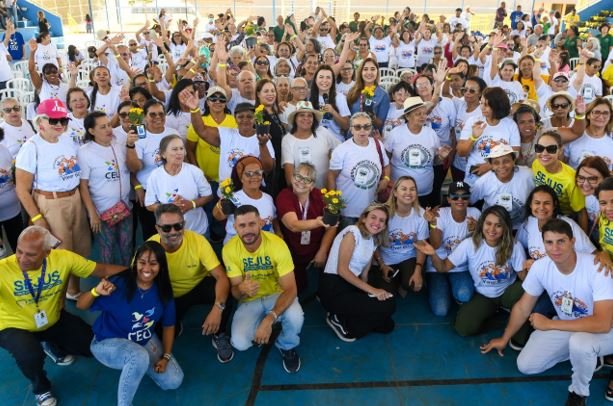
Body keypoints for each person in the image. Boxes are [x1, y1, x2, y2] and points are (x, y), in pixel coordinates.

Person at [481, 218, 613, 406]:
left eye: (561, 241)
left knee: (581, 343)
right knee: (526, 365)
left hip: (606, 331)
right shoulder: (542, 267)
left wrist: (550, 324)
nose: (555, 248)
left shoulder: (597, 268)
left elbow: (602, 323)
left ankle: (578, 393)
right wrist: (504, 338)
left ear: (572, 242)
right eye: (549, 242)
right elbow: (522, 307)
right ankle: (588, 356)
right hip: (570, 325)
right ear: (543, 244)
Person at [0, 226, 124, 406]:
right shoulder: (3, 269)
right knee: (29, 355)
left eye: (31, 254)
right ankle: (41, 388)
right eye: (19, 251)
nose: (22, 259)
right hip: (14, 326)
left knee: (92, 346)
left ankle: (51, 344)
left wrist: (140, 272)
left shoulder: (63, 258)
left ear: (47, 252)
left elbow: (103, 269)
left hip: (52, 319)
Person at [77, 241, 183, 405]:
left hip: (143, 340)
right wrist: (95, 291)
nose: (147, 269)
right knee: (138, 356)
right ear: (135, 263)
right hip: (106, 342)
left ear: (161, 266)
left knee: (174, 381)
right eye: (142, 262)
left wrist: (166, 357)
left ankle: (139, 366)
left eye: (153, 263)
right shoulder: (118, 284)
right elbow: (80, 305)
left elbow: (169, 325)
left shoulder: (163, 291)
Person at [416, 206, 530, 346]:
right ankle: (499, 316)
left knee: (525, 290)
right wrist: (432, 253)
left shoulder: (514, 245)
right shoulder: (469, 244)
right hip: (484, 295)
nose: (492, 230)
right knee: (463, 328)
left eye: (498, 225)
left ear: (505, 227)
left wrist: (534, 269)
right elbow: (443, 267)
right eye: (488, 224)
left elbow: (524, 277)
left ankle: (518, 316)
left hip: (508, 292)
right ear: (482, 224)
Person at [15, 99, 91, 300]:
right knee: (59, 252)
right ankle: (57, 298)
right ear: (40, 121)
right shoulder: (31, 147)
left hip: (74, 197)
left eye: (63, 120)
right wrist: (38, 217)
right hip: (51, 203)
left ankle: (73, 290)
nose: (59, 125)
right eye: (54, 120)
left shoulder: (67, 139)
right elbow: (22, 189)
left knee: (79, 247)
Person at [223, 205, 304, 373]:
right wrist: (241, 288)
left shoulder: (277, 245)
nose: (248, 230)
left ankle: (286, 345)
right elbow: (235, 293)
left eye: (252, 224)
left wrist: (270, 318)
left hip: (276, 294)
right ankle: (262, 326)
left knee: (296, 317)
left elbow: (291, 289)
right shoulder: (229, 249)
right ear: (235, 227)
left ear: (260, 223)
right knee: (240, 343)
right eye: (242, 226)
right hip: (249, 301)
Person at [149, 204, 234, 363]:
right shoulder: (149, 249)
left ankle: (219, 333)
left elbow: (221, 277)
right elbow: (140, 285)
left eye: (178, 226)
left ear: (184, 225)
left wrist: (217, 308)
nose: (173, 231)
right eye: (166, 228)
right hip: (170, 295)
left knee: (226, 295)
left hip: (198, 285)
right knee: (160, 331)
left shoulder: (198, 241)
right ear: (157, 228)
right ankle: (174, 323)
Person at [319, 202, 395, 342]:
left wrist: (368, 295)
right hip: (334, 287)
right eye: (373, 217)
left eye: (381, 220)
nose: (377, 223)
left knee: (388, 324)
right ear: (364, 218)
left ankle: (348, 316)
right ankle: (337, 319)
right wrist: (374, 291)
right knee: (386, 308)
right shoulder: (352, 231)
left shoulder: (373, 240)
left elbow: (364, 274)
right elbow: (342, 270)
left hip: (351, 286)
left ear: (384, 226)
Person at [79, 111, 133, 266]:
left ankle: (126, 278)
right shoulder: (85, 152)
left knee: (126, 247)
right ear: (91, 131)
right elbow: (83, 186)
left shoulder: (119, 142)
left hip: (124, 207)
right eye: (103, 127)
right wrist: (92, 214)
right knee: (106, 249)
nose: (109, 129)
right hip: (102, 212)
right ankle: (108, 283)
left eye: (109, 125)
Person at [276, 163, 336, 295]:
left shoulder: (321, 196)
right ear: (292, 178)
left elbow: (332, 227)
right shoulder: (284, 196)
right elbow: (293, 225)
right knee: (298, 288)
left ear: (312, 185)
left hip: (316, 247)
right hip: (292, 252)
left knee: (327, 284)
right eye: (298, 176)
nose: (301, 182)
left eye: (307, 179)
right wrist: (318, 222)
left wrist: (322, 251)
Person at [126, 99, 179, 240]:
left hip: (172, 188)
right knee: (151, 233)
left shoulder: (173, 133)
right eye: (152, 114)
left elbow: (181, 162)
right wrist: (137, 186)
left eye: (161, 114)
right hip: (148, 191)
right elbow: (134, 167)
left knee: (173, 230)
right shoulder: (139, 137)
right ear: (145, 117)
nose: (158, 117)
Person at [385, 96, 452, 208]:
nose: (423, 117)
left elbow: (434, 162)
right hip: (399, 192)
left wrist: (441, 157)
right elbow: (387, 158)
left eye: (424, 113)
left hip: (424, 192)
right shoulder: (395, 134)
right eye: (418, 114)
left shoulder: (431, 134)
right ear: (407, 116)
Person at [424, 181, 479, 316]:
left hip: (461, 267)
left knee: (464, 295)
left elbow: (480, 245)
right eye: (455, 196)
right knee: (441, 310)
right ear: (448, 199)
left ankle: (455, 291)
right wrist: (432, 224)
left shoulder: (476, 213)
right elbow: (435, 245)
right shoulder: (441, 213)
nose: (460, 200)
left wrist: (475, 231)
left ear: (469, 199)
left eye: (464, 196)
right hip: (438, 266)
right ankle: (438, 286)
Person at [328, 112, 390, 229]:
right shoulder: (341, 150)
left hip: (371, 211)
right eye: (357, 127)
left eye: (366, 127)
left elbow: (386, 165)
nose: (362, 130)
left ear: (370, 128)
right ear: (351, 129)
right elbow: (332, 175)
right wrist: (333, 203)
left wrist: (386, 179)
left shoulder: (377, 145)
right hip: (348, 212)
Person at [145, 135, 213, 237]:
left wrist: (192, 204)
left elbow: (208, 195)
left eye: (181, 148)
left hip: (198, 230)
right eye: (174, 149)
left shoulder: (194, 171)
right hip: (170, 232)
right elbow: (149, 204)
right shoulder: (155, 176)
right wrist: (168, 208)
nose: (179, 152)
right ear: (163, 154)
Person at [374, 176, 428, 297]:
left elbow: (421, 244)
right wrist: (381, 264)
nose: (408, 192)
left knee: (414, 285)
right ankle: (397, 282)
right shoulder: (383, 213)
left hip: (408, 257)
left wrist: (418, 270)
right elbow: (373, 243)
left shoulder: (421, 214)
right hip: (385, 259)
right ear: (395, 192)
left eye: (412, 189)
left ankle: (403, 281)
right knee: (388, 294)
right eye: (404, 189)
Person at [456, 87, 520, 186]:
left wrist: (490, 166)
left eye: (486, 104)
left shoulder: (510, 125)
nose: (482, 107)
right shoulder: (473, 121)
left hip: (500, 182)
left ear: (497, 105)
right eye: (481, 103)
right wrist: (473, 137)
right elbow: (461, 152)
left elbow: (516, 153)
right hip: (474, 181)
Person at [531, 130, 588, 231]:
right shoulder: (536, 164)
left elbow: (580, 211)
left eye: (551, 149)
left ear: (560, 150)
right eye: (539, 148)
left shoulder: (571, 179)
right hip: (542, 211)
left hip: (564, 218)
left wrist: (584, 238)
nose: (544, 153)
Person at [470, 144, 534, 229]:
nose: (501, 166)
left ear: (513, 161)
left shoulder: (528, 175)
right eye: (496, 163)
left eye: (506, 161)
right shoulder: (482, 182)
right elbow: (469, 201)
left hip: (521, 227)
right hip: (492, 230)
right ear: (491, 165)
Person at [281, 101, 340, 189]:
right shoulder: (288, 139)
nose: (306, 118)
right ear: (295, 118)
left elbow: (341, 150)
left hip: (327, 191)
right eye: (302, 115)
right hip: (303, 193)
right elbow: (289, 177)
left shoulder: (323, 132)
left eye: (310, 115)